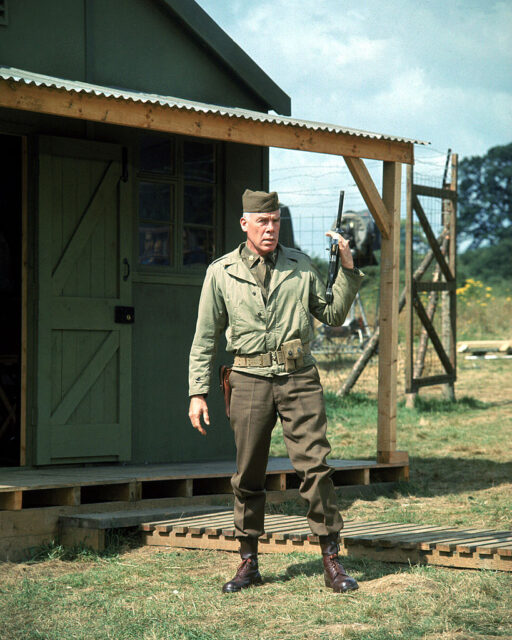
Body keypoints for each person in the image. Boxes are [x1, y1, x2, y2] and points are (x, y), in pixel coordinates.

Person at [188, 189, 364, 594]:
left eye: (276, 221)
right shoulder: (221, 271)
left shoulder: (300, 266)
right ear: (245, 224)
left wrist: (348, 269)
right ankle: (248, 562)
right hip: (247, 380)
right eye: (262, 221)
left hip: (298, 378)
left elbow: (334, 314)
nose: (270, 229)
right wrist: (198, 392)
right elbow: (204, 338)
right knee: (248, 473)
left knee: (315, 468)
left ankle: (331, 560)